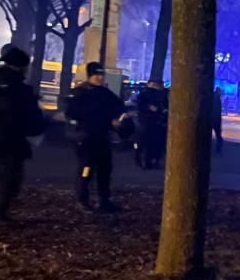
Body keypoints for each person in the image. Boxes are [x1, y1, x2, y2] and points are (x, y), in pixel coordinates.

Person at [0, 47, 44, 222]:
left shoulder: (2, 81)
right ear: (19, 66)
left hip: (5, 135)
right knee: (6, 175)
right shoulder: (7, 84)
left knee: (7, 174)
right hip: (5, 136)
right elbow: (12, 110)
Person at [66, 62, 126, 212]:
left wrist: (117, 119)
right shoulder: (80, 93)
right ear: (90, 75)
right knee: (86, 169)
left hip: (102, 136)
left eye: (101, 75)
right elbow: (73, 113)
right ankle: (82, 199)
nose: (99, 78)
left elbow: (118, 107)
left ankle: (104, 200)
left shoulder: (105, 93)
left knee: (104, 170)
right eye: (96, 75)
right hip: (86, 137)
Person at [136, 79, 167, 169]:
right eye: (152, 84)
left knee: (152, 143)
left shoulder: (159, 95)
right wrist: (149, 108)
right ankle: (148, 161)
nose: (154, 87)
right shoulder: (146, 94)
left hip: (153, 122)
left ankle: (149, 161)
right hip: (149, 122)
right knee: (147, 143)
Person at [213, 86, 224, 154]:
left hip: (212, 119)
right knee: (218, 136)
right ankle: (218, 150)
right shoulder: (217, 99)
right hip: (215, 119)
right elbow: (217, 111)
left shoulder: (213, 97)